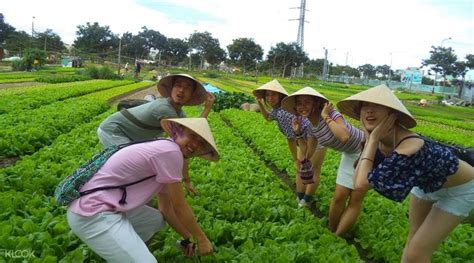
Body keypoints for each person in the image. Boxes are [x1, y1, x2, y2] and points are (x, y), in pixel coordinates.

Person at [337, 84, 474, 262]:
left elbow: (362, 184)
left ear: (392, 115)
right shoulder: (378, 141)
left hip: (461, 188)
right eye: (364, 106)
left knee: (418, 251)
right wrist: (371, 140)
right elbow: (357, 181)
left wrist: (372, 140)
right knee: (412, 240)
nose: (369, 111)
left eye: (377, 106)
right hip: (427, 184)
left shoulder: (410, 146)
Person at [67, 118, 219, 262]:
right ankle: (128, 254)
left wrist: (188, 238)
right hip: (93, 213)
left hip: (100, 205)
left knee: (154, 220)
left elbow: (166, 209)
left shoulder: (164, 146)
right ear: (179, 131)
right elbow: (180, 206)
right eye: (192, 136)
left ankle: (124, 251)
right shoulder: (171, 153)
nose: (195, 144)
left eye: (202, 144)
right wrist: (202, 239)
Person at [97, 73, 215, 194]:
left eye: (187, 88)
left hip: (132, 135)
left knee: (136, 164)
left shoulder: (180, 114)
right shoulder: (164, 108)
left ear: (191, 95)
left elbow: (191, 139)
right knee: (129, 165)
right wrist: (206, 110)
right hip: (113, 130)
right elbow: (185, 143)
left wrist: (187, 180)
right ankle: (106, 193)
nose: (181, 90)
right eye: (177, 85)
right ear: (171, 89)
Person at [282, 87, 366, 236]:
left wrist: (326, 116)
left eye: (307, 102)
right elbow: (308, 151)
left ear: (317, 103)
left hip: (366, 150)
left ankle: (339, 234)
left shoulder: (332, 114)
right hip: (350, 153)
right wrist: (297, 133)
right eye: (300, 103)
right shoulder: (311, 126)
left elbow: (344, 136)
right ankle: (333, 232)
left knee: (354, 198)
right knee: (339, 196)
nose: (303, 106)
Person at [253, 80, 312, 207]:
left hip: (311, 140)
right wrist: (260, 104)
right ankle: (301, 197)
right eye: (267, 95)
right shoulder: (278, 109)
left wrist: (295, 158)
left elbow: (290, 138)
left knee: (309, 168)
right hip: (303, 140)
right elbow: (268, 118)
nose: (270, 98)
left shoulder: (283, 112)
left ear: (280, 96)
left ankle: (306, 199)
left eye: (274, 95)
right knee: (302, 169)